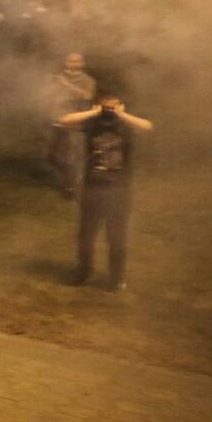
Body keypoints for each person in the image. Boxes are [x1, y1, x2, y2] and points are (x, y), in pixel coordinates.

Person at [60, 93, 153, 290]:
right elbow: (65, 121)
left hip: (119, 190)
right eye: (106, 107)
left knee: (116, 235)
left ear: (121, 106)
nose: (109, 112)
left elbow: (147, 126)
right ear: (98, 107)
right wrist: (94, 112)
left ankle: (116, 278)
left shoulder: (126, 126)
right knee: (86, 234)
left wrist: (122, 114)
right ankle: (83, 272)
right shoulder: (92, 125)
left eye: (113, 107)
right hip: (92, 188)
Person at [46, 52, 97, 198]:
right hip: (58, 119)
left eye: (78, 61)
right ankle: (71, 178)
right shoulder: (59, 78)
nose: (74, 64)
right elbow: (50, 96)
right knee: (51, 156)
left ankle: (70, 187)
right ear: (66, 63)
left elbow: (87, 96)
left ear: (83, 64)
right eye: (71, 61)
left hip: (76, 122)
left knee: (72, 155)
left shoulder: (88, 80)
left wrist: (66, 85)